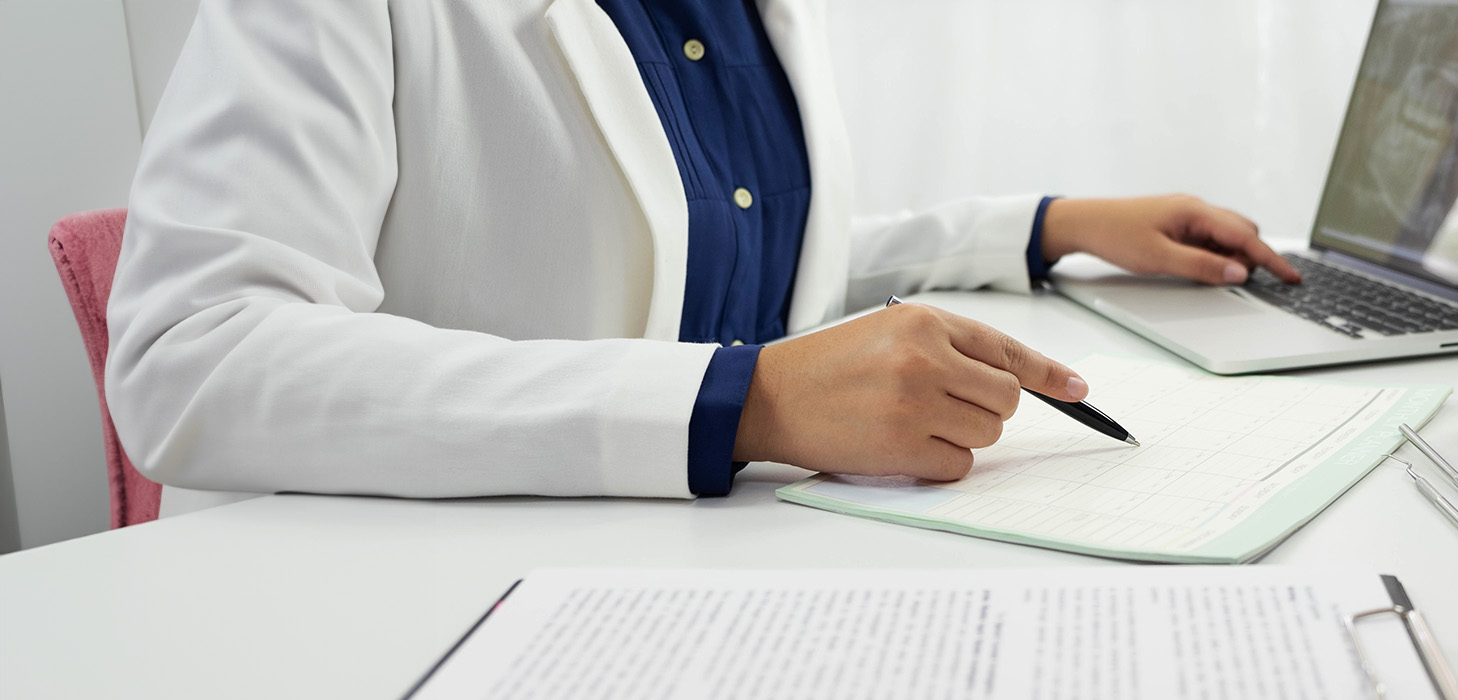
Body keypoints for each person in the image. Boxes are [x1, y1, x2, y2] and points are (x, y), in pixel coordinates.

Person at [106, 0, 1300, 516]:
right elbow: (191, 357)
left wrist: (1043, 227)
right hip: (385, 610)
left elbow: (744, 264)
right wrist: (748, 402)